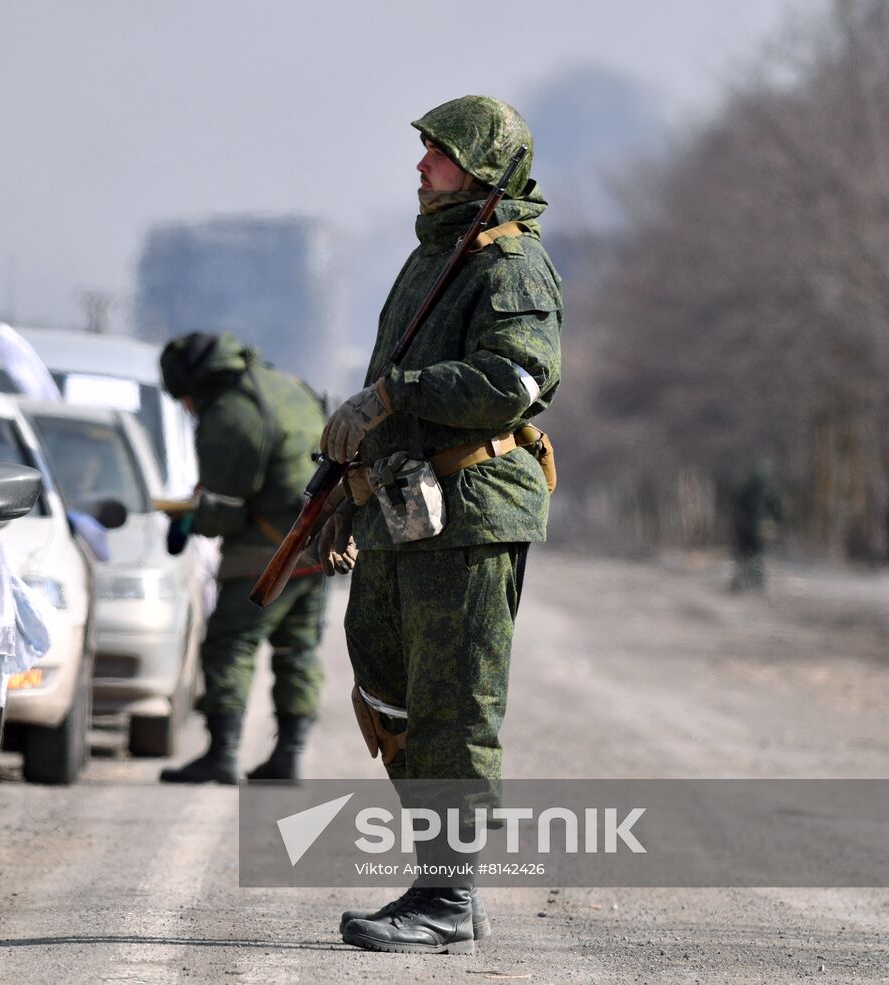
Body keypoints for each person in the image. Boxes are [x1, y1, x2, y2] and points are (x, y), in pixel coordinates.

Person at [319, 95, 561, 954]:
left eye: (440, 153)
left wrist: (397, 393)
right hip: (404, 512)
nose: (421, 167)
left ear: (484, 172)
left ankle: (447, 896)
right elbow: (392, 389)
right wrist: (343, 491)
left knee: (455, 701)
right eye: (425, 151)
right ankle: (438, 873)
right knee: (385, 679)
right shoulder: (436, 257)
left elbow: (516, 378)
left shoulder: (508, 265)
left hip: (472, 510)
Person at [157, 331, 327, 784]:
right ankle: (288, 757)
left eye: (186, 400)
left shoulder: (232, 411)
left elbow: (227, 507)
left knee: (230, 645)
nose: (189, 410)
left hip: (263, 553)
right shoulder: (284, 384)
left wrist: (191, 519)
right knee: (297, 650)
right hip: (315, 545)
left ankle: (222, 753)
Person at [729, 459, 782, 592]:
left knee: (743, 555)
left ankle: (741, 582)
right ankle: (756, 582)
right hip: (759, 527)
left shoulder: (746, 487)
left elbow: (736, 505)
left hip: (745, 527)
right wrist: (776, 523)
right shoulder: (769, 489)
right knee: (756, 554)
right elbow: (778, 508)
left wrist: (736, 522)